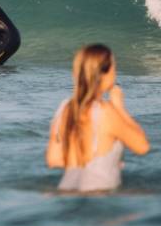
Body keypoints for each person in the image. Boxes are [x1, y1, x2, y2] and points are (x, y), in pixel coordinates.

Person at [46, 44, 149, 192]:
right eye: (114, 67)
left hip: (65, 189)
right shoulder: (107, 112)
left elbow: (53, 159)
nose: (115, 72)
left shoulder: (65, 109)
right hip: (97, 195)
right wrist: (120, 108)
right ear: (104, 73)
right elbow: (142, 146)